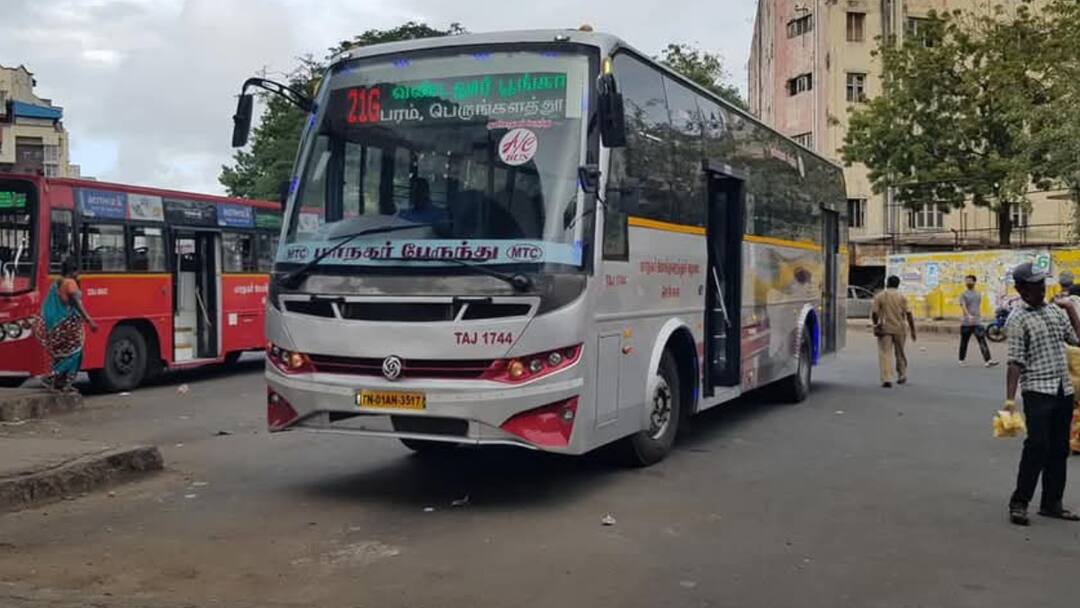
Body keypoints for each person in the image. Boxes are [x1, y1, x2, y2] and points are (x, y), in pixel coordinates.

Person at [1004, 262, 1080, 526]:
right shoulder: (1017, 319)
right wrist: (1010, 401)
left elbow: (1076, 340)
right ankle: (1019, 502)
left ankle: (1052, 503)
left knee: (1060, 449)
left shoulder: (1055, 312)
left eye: (1043, 283)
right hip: (1037, 391)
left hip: (1063, 390)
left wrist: (1071, 309)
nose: (1041, 289)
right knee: (1037, 447)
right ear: (1021, 289)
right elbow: (1015, 362)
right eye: (1035, 285)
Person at [34, 257, 97, 393]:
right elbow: (76, 304)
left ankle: (62, 383)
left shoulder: (56, 283)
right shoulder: (70, 283)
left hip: (52, 324)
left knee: (62, 354)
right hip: (66, 323)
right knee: (75, 353)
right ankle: (52, 376)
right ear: (73, 271)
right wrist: (89, 320)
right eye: (77, 272)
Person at [872, 275, 917, 388]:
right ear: (898, 284)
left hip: (885, 328)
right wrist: (913, 330)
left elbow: (875, 313)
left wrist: (876, 323)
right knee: (900, 353)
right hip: (900, 328)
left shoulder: (880, 296)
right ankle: (902, 375)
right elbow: (909, 314)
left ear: (887, 283)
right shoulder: (902, 297)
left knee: (885, 353)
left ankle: (887, 378)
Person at [958, 275, 999, 368]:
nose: (967, 283)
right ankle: (961, 360)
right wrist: (968, 315)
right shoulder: (963, 294)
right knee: (964, 342)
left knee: (982, 340)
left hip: (977, 322)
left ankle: (988, 360)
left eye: (969, 281)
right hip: (966, 322)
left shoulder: (978, 294)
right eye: (966, 281)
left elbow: (976, 307)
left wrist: (979, 317)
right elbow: (963, 306)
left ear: (974, 282)